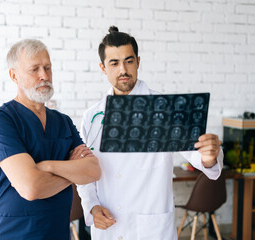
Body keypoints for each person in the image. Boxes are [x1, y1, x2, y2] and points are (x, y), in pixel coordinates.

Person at [77, 26, 223, 240]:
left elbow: (196, 154)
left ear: (138, 61)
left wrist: (209, 157)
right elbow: (84, 174)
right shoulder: (92, 117)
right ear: (103, 67)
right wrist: (92, 207)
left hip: (151, 230)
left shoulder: (164, 109)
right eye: (114, 63)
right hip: (108, 229)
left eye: (129, 61)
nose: (123, 70)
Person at [0, 39, 101, 240]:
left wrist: (46, 166)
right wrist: (71, 170)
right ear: (14, 75)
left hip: (58, 233)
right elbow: (31, 188)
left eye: (47, 68)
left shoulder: (62, 121)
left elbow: (93, 171)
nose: (44, 76)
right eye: (34, 69)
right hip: (15, 234)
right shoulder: (2, 121)